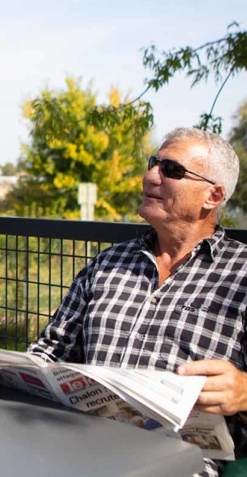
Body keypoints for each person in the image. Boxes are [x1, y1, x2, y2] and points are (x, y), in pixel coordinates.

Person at [29, 127, 247, 477]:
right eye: (153, 164)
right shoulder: (108, 263)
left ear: (213, 196)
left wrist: (244, 391)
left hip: (179, 464)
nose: (150, 176)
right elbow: (49, 352)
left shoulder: (242, 275)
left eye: (171, 170)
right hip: (81, 446)